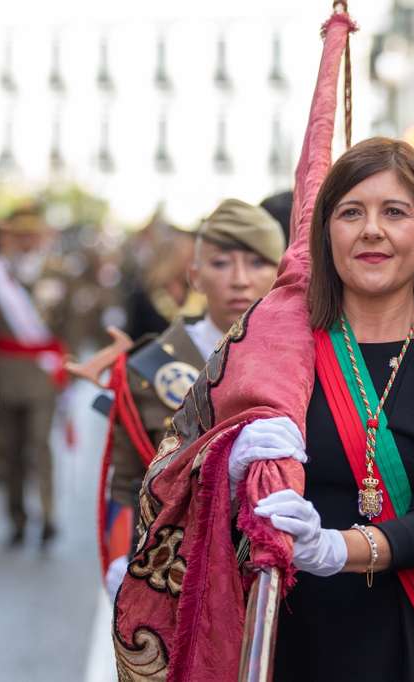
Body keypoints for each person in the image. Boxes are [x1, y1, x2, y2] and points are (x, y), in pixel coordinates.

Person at [238, 137, 414, 681]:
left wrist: (332, 548)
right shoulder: (277, 350)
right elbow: (181, 468)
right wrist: (226, 462)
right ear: (326, 234)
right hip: (275, 630)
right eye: (351, 212)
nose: (371, 230)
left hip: (394, 639)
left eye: (395, 212)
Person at [79, 199, 285, 592]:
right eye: (221, 263)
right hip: (174, 574)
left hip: (274, 579)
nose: (239, 279)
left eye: (258, 263)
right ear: (195, 275)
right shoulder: (148, 369)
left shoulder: (303, 361)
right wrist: (123, 559)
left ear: (280, 273)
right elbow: (125, 483)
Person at [0, 206, 74, 548]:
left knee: (40, 444)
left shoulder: (58, 273)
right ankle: (16, 516)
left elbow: (69, 328)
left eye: (33, 234)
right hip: (5, 372)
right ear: (12, 238)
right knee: (8, 449)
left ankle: (48, 515)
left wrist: (69, 369)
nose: (28, 241)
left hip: (43, 375)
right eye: (21, 234)